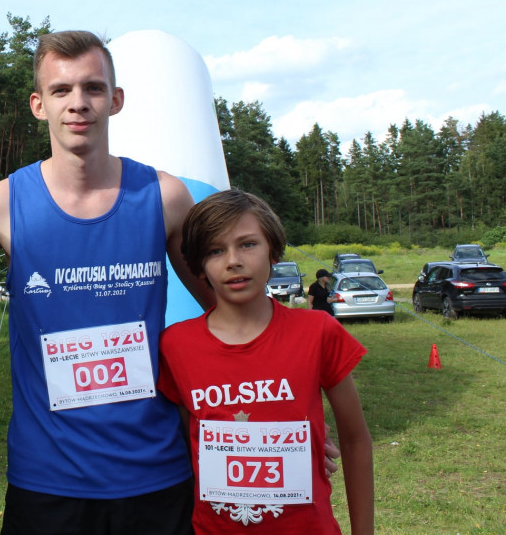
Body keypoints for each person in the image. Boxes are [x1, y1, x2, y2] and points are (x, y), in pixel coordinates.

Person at [0, 31, 213, 534]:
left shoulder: (165, 197)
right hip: (48, 483)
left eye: (93, 87)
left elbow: (233, 315)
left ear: (116, 99)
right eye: (61, 90)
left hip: (156, 476)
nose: (78, 103)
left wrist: (284, 416)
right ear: (38, 105)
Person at [158, 189, 374, 534]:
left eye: (248, 244)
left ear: (273, 250)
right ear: (198, 265)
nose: (233, 261)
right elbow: (188, 445)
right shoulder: (175, 345)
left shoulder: (317, 331)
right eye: (215, 250)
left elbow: (355, 440)